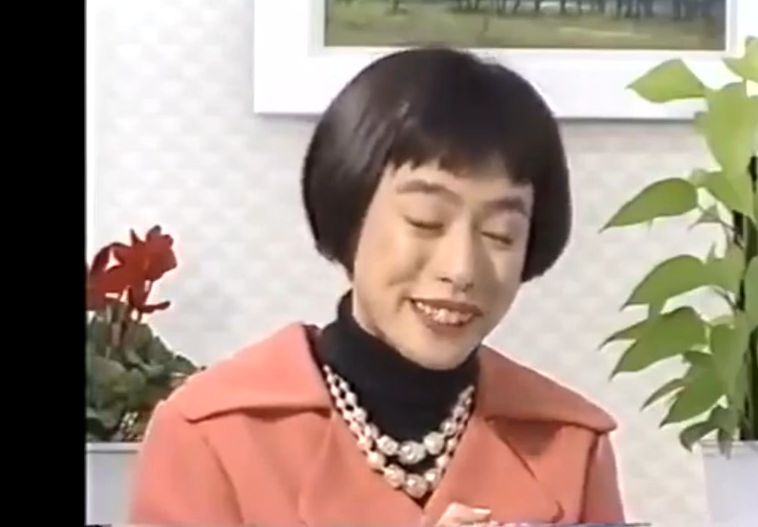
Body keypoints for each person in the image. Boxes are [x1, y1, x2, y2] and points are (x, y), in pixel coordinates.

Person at [128, 46, 626, 527]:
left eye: (500, 234)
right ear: (350, 213)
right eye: (426, 221)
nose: (461, 269)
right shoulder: (212, 433)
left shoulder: (570, 442)